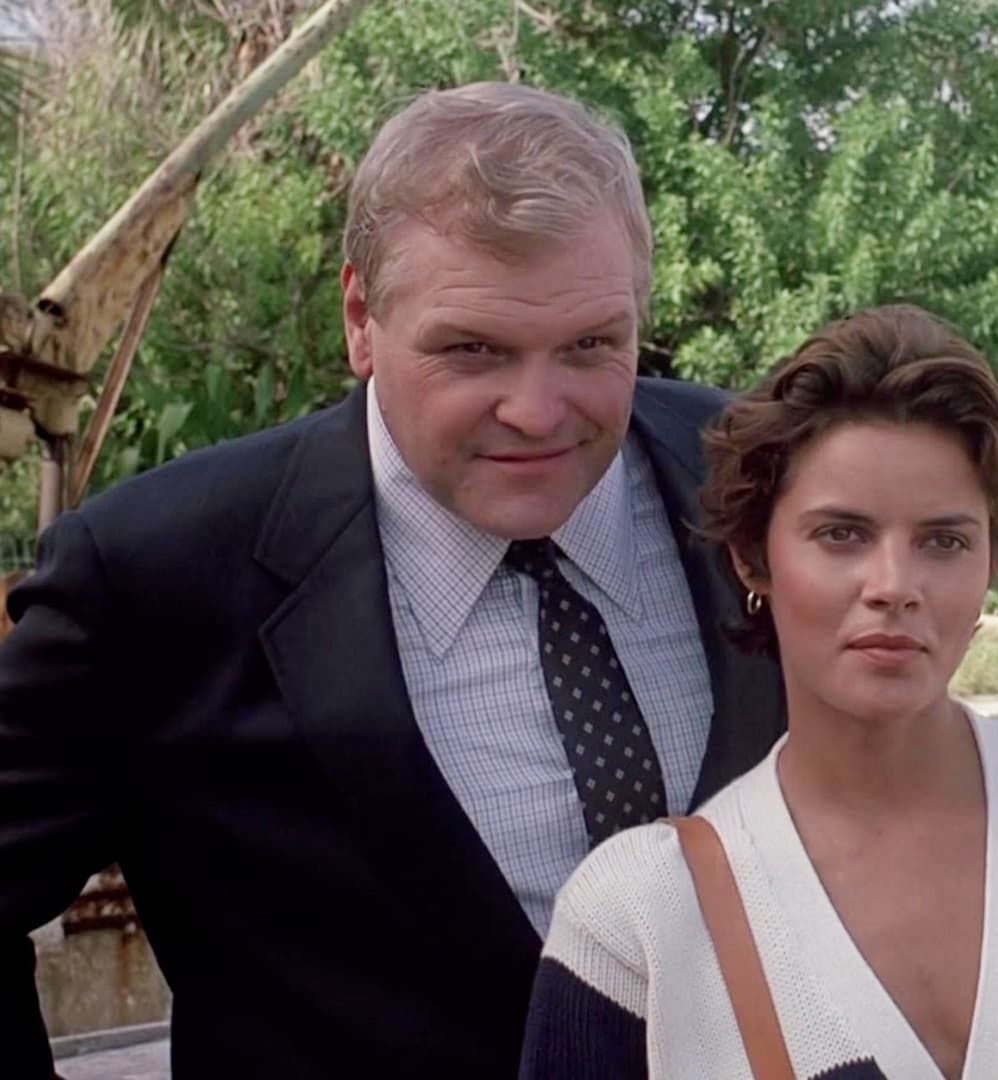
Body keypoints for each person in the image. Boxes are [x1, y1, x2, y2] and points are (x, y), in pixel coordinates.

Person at [0, 82, 783, 1078]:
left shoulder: (758, 478)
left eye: (592, 344)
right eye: (472, 350)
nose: (538, 411)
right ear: (361, 319)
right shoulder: (154, 576)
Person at [519, 305, 998, 1080]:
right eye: (841, 534)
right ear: (752, 557)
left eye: (944, 541)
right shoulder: (636, 924)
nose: (894, 585)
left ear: (991, 561)